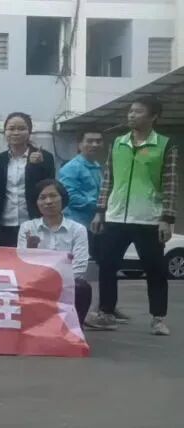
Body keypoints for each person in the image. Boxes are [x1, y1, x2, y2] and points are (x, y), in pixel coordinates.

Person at [88, 96, 176, 335]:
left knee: (155, 269)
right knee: (107, 265)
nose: (131, 115)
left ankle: (158, 318)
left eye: (138, 112)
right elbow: (108, 179)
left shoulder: (165, 144)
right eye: (130, 111)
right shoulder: (118, 142)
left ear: (153, 116)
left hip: (148, 218)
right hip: (115, 216)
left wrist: (167, 218)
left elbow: (170, 183)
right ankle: (106, 313)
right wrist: (100, 211)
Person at [17, 179, 95, 329]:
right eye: (42, 197)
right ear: (36, 203)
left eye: (53, 196)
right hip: (35, 282)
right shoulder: (27, 228)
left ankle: (74, 330)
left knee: (83, 287)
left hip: (67, 283)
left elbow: (80, 266)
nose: (48, 201)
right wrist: (31, 248)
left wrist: (57, 283)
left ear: (63, 199)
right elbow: (22, 264)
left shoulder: (78, 229)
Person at [0, 112, 56, 247]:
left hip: (34, 222)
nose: (16, 132)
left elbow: (49, 189)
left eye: (21, 128)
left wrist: (37, 166)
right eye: (11, 129)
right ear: (5, 132)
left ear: (29, 132)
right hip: (3, 223)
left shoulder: (44, 157)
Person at [58, 128, 104, 229]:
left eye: (98, 141)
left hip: (95, 222)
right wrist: (100, 206)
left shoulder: (97, 166)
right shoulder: (71, 167)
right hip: (76, 223)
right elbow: (70, 197)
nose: (95, 145)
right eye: (90, 141)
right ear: (79, 144)